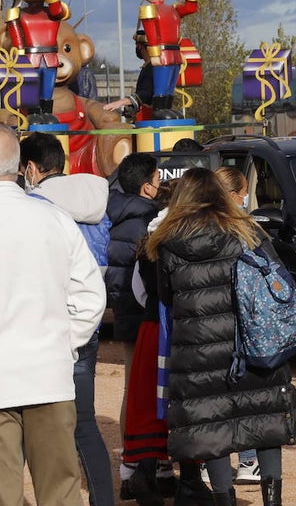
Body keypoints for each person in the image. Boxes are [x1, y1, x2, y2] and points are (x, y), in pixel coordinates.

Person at [148, 168, 296, 506]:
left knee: (212, 431)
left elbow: (165, 297)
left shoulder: (167, 242)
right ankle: (272, 500)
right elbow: (279, 280)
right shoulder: (247, 231)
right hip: (252, 341)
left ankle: (224, 501)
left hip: (197, 352)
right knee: (264, 423)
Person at [0, 122, 106, 506]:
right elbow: (91, 296)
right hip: (49, 377)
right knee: (61, 494)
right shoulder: (54, 219)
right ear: (20, 167)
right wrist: (63, 343)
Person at [19, 132, 115, 506]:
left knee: (27, 419)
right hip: (86, 324)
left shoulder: (35, 207)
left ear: (29, 168)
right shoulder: (94, 201)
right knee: (85, 422)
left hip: (46, 325)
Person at [107, 153, 175, 503]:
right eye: (158, 176)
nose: (161, 182)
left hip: (125, 312)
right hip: (152, 315)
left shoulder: (112, 214)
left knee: (132, 391)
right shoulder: (153, 220)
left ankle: (130, 467)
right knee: (159, 389)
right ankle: (158, 465)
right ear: (147, 184)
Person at [209, 166, 263, 486]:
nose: (246, 199)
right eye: (243, 194)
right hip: (238, 321)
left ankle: (210, 462)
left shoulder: (196, 226)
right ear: (232, 196)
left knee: (213, 395)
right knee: (243, 390)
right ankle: (248, 460)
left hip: (204, 323)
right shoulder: (244, 230)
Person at [2, 0, 70, 124]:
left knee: (48, 86)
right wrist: (19, 53)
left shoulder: (52, 12)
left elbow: (58, 10)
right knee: (31, 86)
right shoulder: (18, 13)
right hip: (29, 56)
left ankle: (47, 112)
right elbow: (16, 34)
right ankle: (32, 112)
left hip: (50, 56)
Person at [135, 0, 199, 120]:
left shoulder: (173, 9)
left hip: (174, 51)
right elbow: (151, 32)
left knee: (171, 81)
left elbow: (191, 8)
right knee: (162, 83)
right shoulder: (149, 9)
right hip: (162, 52)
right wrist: (155, 54)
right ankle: (159, 110)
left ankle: (167, 108)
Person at [103, 29, 155, 122]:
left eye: (136, 44)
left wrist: (120, 102)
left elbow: (145, 94)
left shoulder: (151, 68)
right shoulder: (148, 66)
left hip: (150, 120)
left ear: (140, 46)